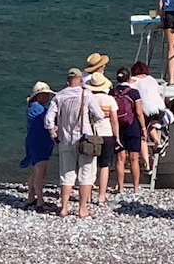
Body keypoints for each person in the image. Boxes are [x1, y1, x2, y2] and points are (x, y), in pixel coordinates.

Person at [43, 68, 104, 218]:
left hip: (65, 139)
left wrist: (53, 133)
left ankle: (64, 207)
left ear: (67, 81)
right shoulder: (86, 94)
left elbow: (48, 119)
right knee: (86, 174)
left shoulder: (59, 96)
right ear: (81, 80)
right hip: (85, 140)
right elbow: (99, 115)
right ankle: (82, 209)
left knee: (66, 174)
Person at [85, 72, 121, 206]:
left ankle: (87, 195)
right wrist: (117, 137)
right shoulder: (110, 100)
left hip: (92, 134)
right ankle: (101, 196)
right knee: (105, 165)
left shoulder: (89, 99)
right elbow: (114, 121)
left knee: (89, 165)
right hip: (107, 134)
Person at [20, 81, 55, 212]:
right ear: (38, 96)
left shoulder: (34, 107)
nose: (47, 97)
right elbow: (49, 119)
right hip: (39, 143)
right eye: (45, 95)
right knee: (40, 172)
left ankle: (31, 197)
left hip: (36, 142)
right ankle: (39, 201)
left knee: (36, 171)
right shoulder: (38, 109)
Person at [110, 67, 146, 192]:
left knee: (120, 159)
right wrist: (143, 128)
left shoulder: (112, 92)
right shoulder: (134, 93)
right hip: (132, 126)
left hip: (117, 127)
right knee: (134, 158)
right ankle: (136, 187)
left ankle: (120, 187)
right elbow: (139, 112)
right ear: (129, 78)